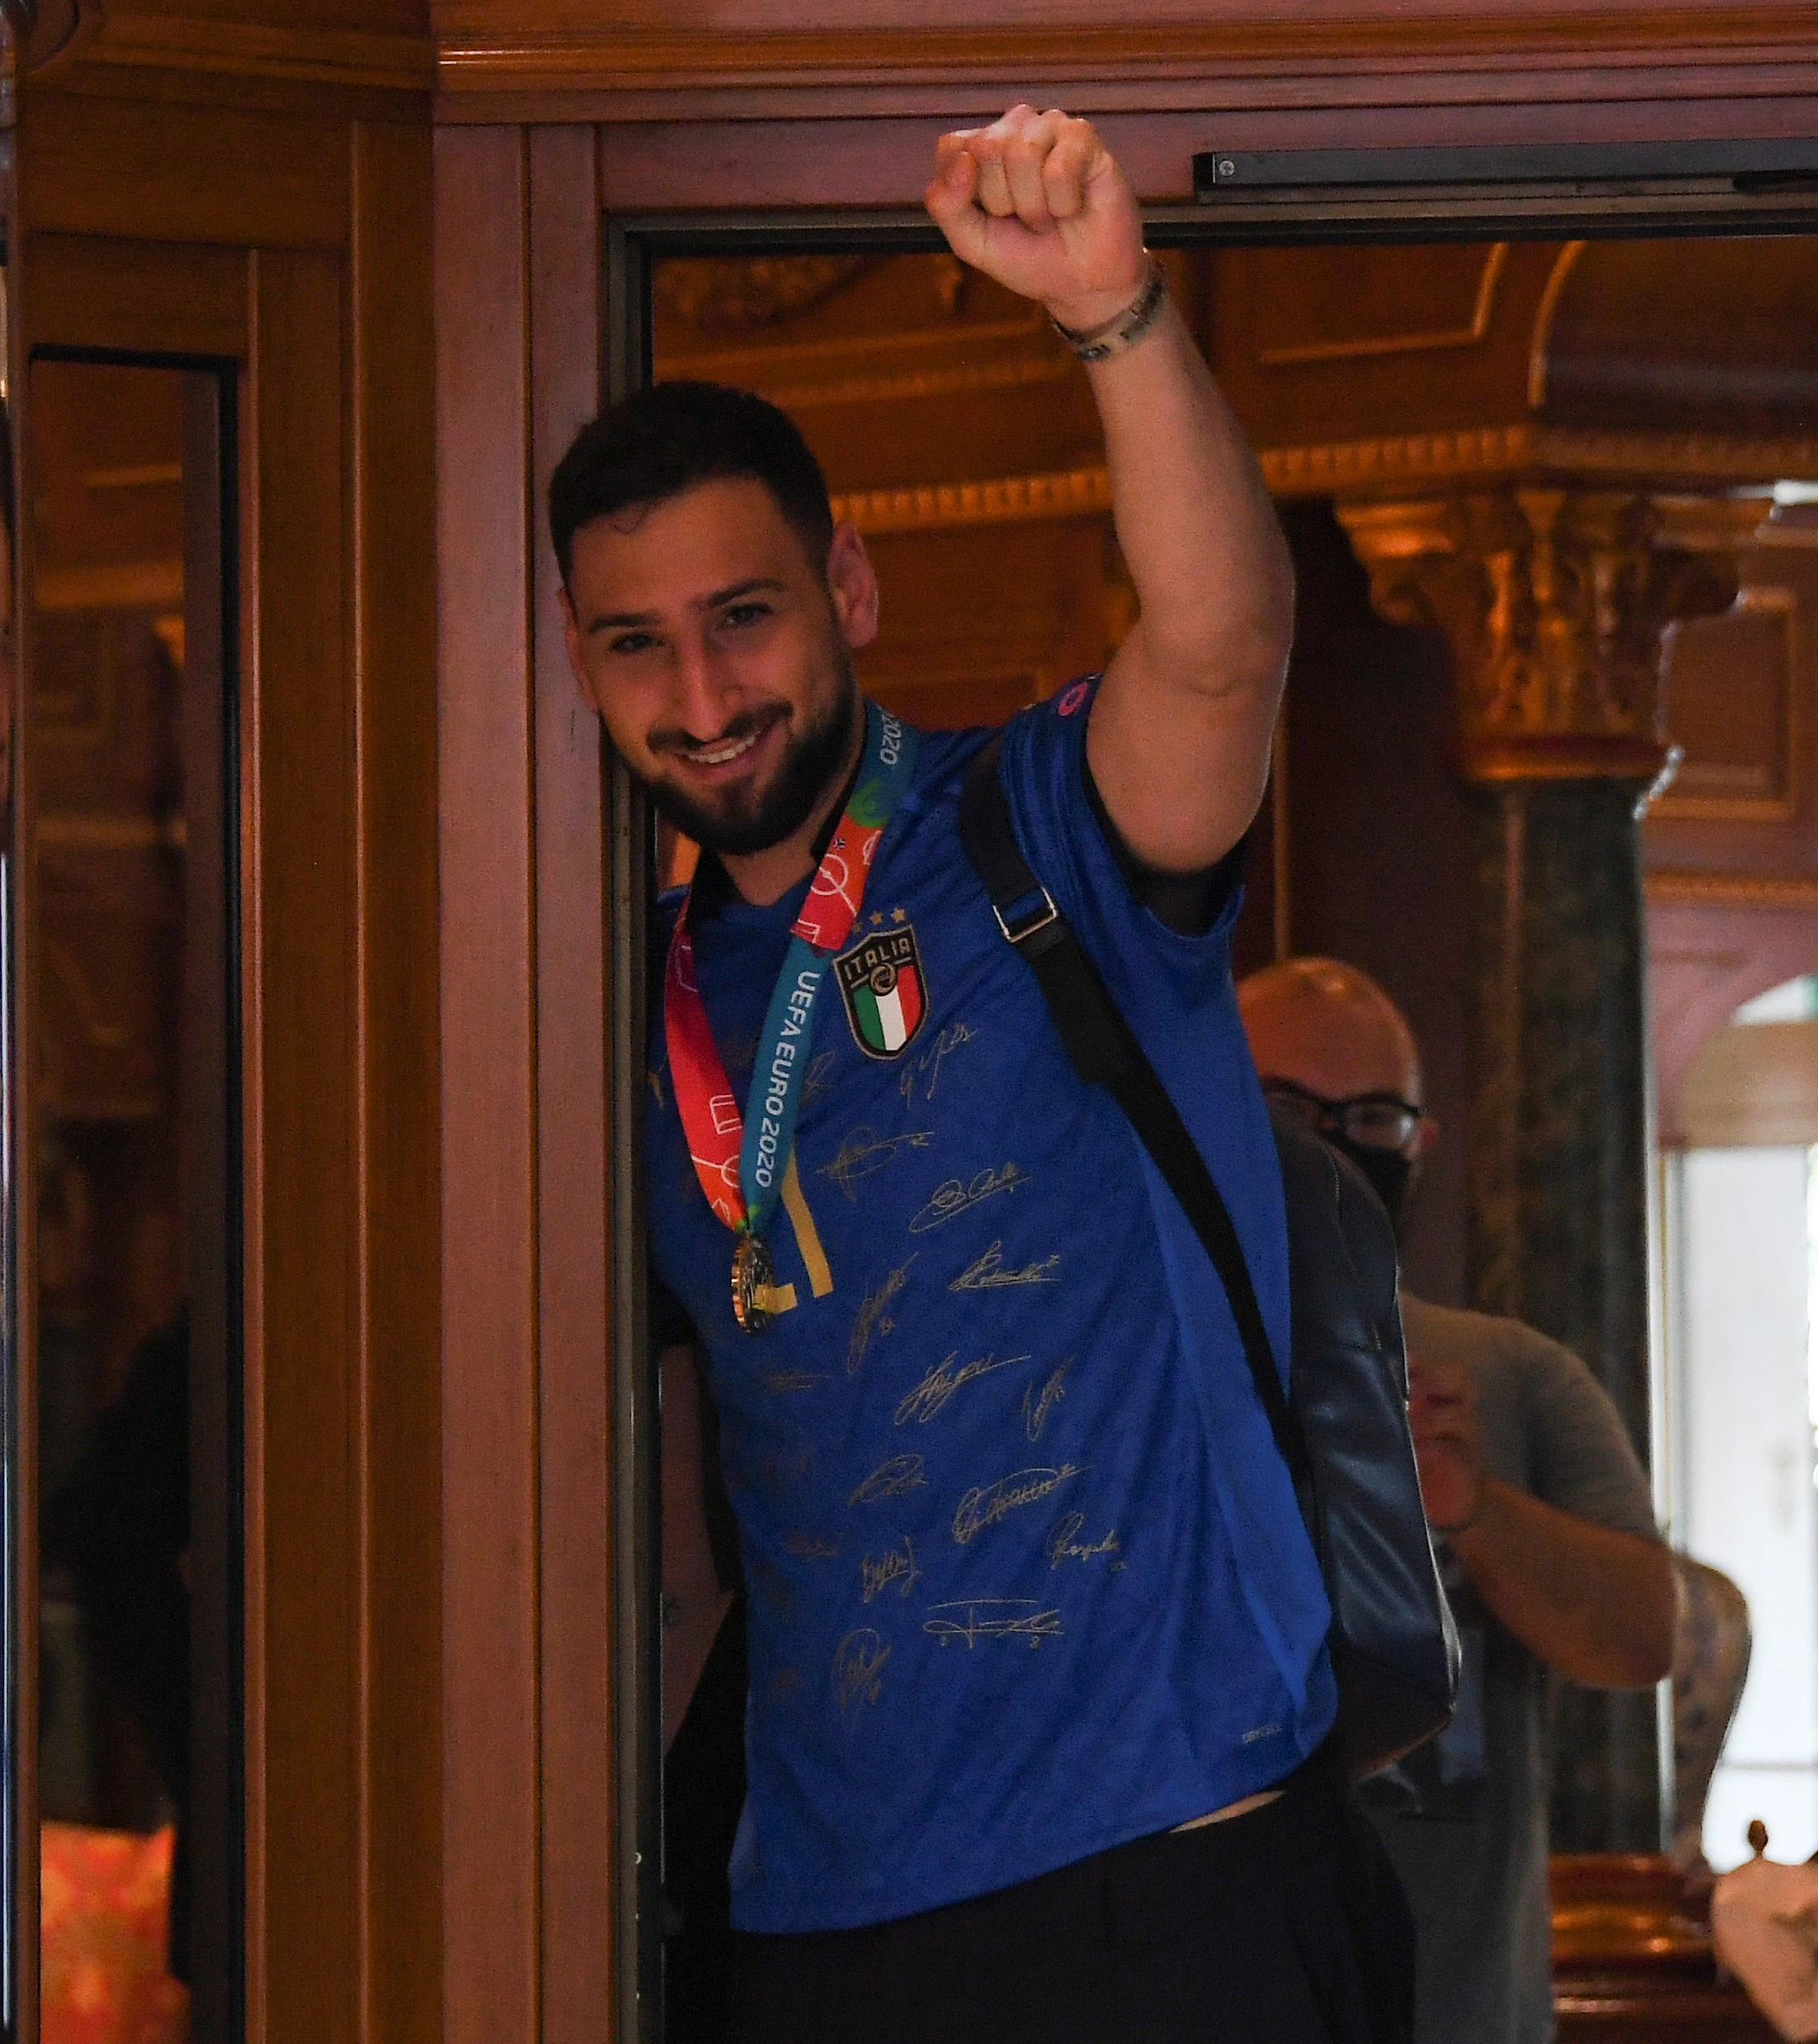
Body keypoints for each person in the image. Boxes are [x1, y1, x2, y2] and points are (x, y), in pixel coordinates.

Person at [562, 104, 1411, 2044]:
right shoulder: (610, 1019)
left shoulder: (1031, 826)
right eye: (637, 647)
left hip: (1172, 1874)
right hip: (822, 1915)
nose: (701, 699)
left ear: (846, 591)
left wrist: (1111, 313)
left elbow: (1219, 645)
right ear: (577, 662)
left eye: (744, 617)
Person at [1235, 957, 1676, 2044]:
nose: (1329, 1146)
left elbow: (1644, 1630)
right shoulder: (1135, 1368)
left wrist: (1474, 1506)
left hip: (1462, 2009)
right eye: (1284, 1108)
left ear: (1420, 1143)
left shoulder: (1511, 1376)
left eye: (1370, 1117)